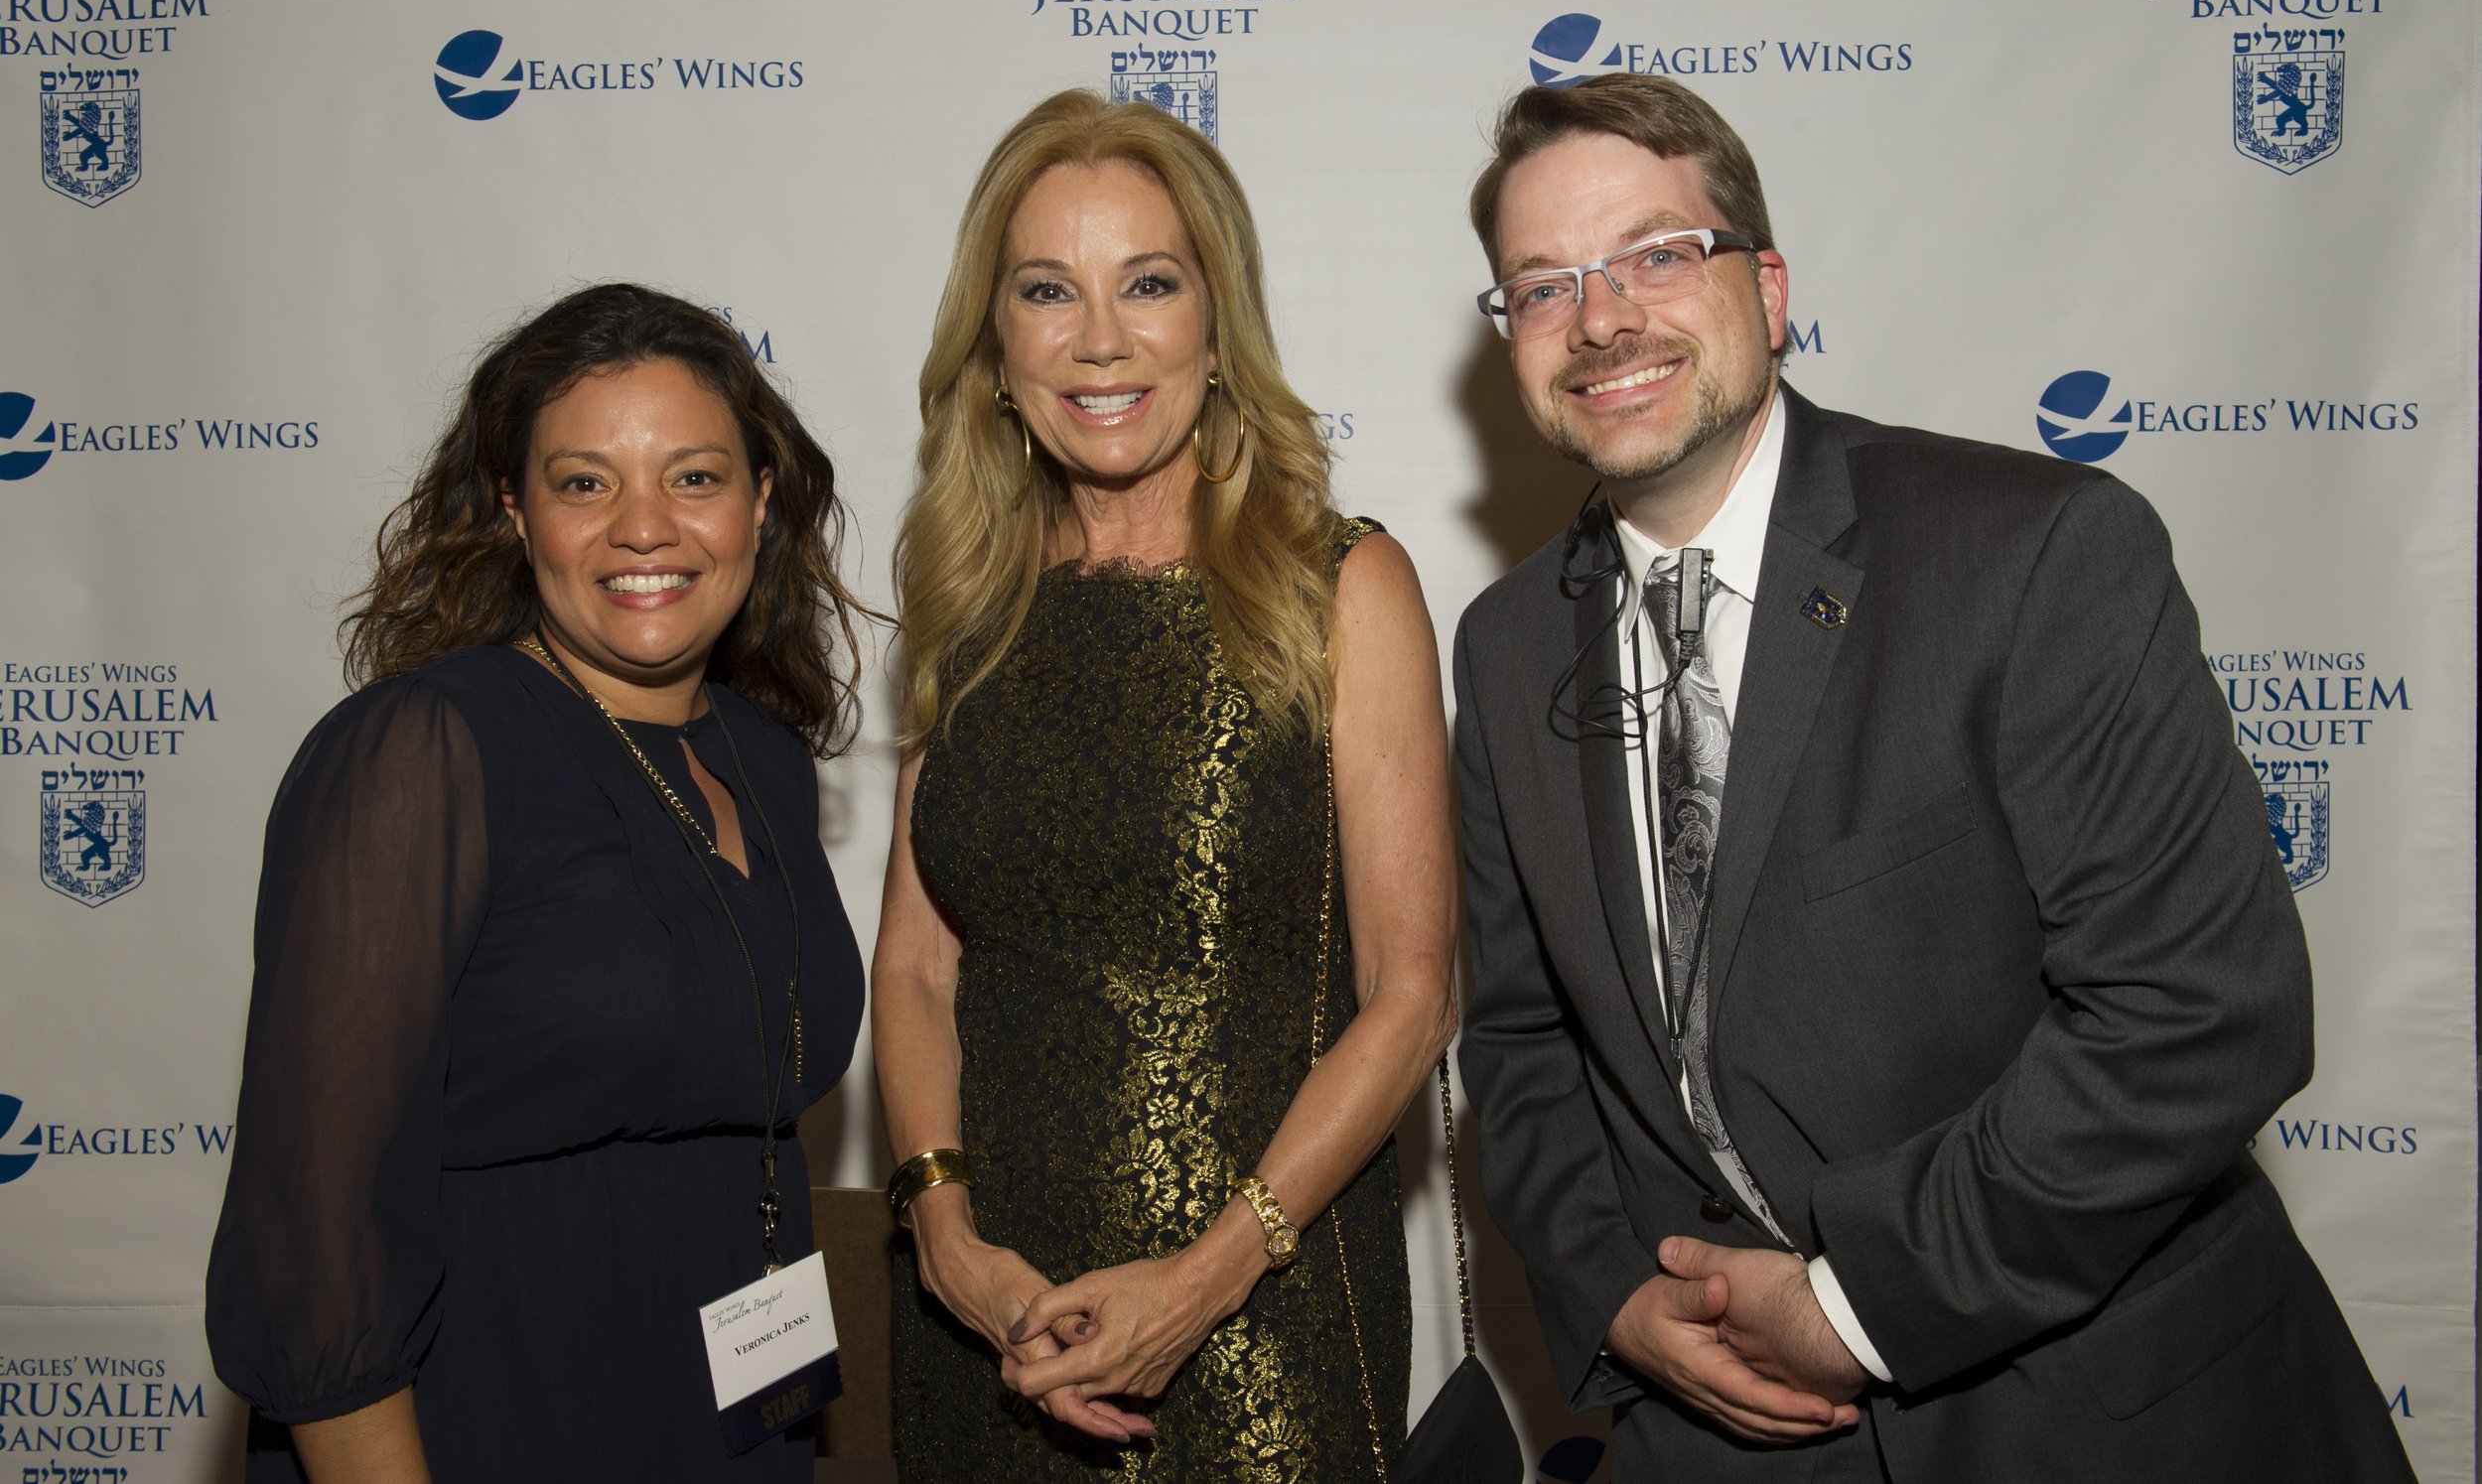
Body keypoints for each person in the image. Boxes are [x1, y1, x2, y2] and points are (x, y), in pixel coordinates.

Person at [1450, 74, 2414, 1482]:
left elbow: (2201, 1014)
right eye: (1543, 286)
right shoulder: (1502, 644)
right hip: (1723, 1438)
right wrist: (1615, 1296)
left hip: (2100, 1418)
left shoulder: (2036, 556)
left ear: (1769, 290)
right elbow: (1523, 1047)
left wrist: (1856, 1304)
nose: (1602, 319)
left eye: (1658, 254)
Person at [873, 88, 1457, 1481]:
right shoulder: (969, 605)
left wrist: (1202, 1280)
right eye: (1045, 292)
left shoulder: (1339, 585)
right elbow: (915, 968)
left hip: (1263, 1321)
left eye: (1148, 282)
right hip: (990, 1324)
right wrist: (946, 1236)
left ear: (1216, 324)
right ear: (996, 347)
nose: (1100, 339)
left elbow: (1414, 993)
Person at [206, 283, 872, 1482]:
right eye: (583, 483)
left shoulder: (762, 757)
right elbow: (316, 1229)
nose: (644, 528)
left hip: (735, 1420)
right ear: (514, 512)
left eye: (695, 476)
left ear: (761, 502)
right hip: (491, 1417)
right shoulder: (423, 751)